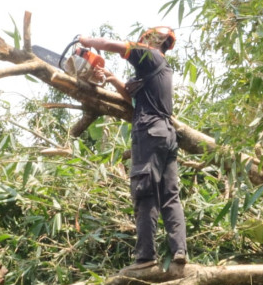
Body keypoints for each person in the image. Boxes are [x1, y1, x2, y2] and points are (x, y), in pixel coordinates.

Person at [79, 27, 187, 270]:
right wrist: (111, 77)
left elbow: (109, 44)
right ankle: (179, 251)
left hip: (149, 132)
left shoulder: (147, 55)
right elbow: (132, 98)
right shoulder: (159, 69)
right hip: (167, 134)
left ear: (151, 40)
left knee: (144, 191)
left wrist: (85, 41)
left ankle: (145, 258)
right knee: (170, 195)